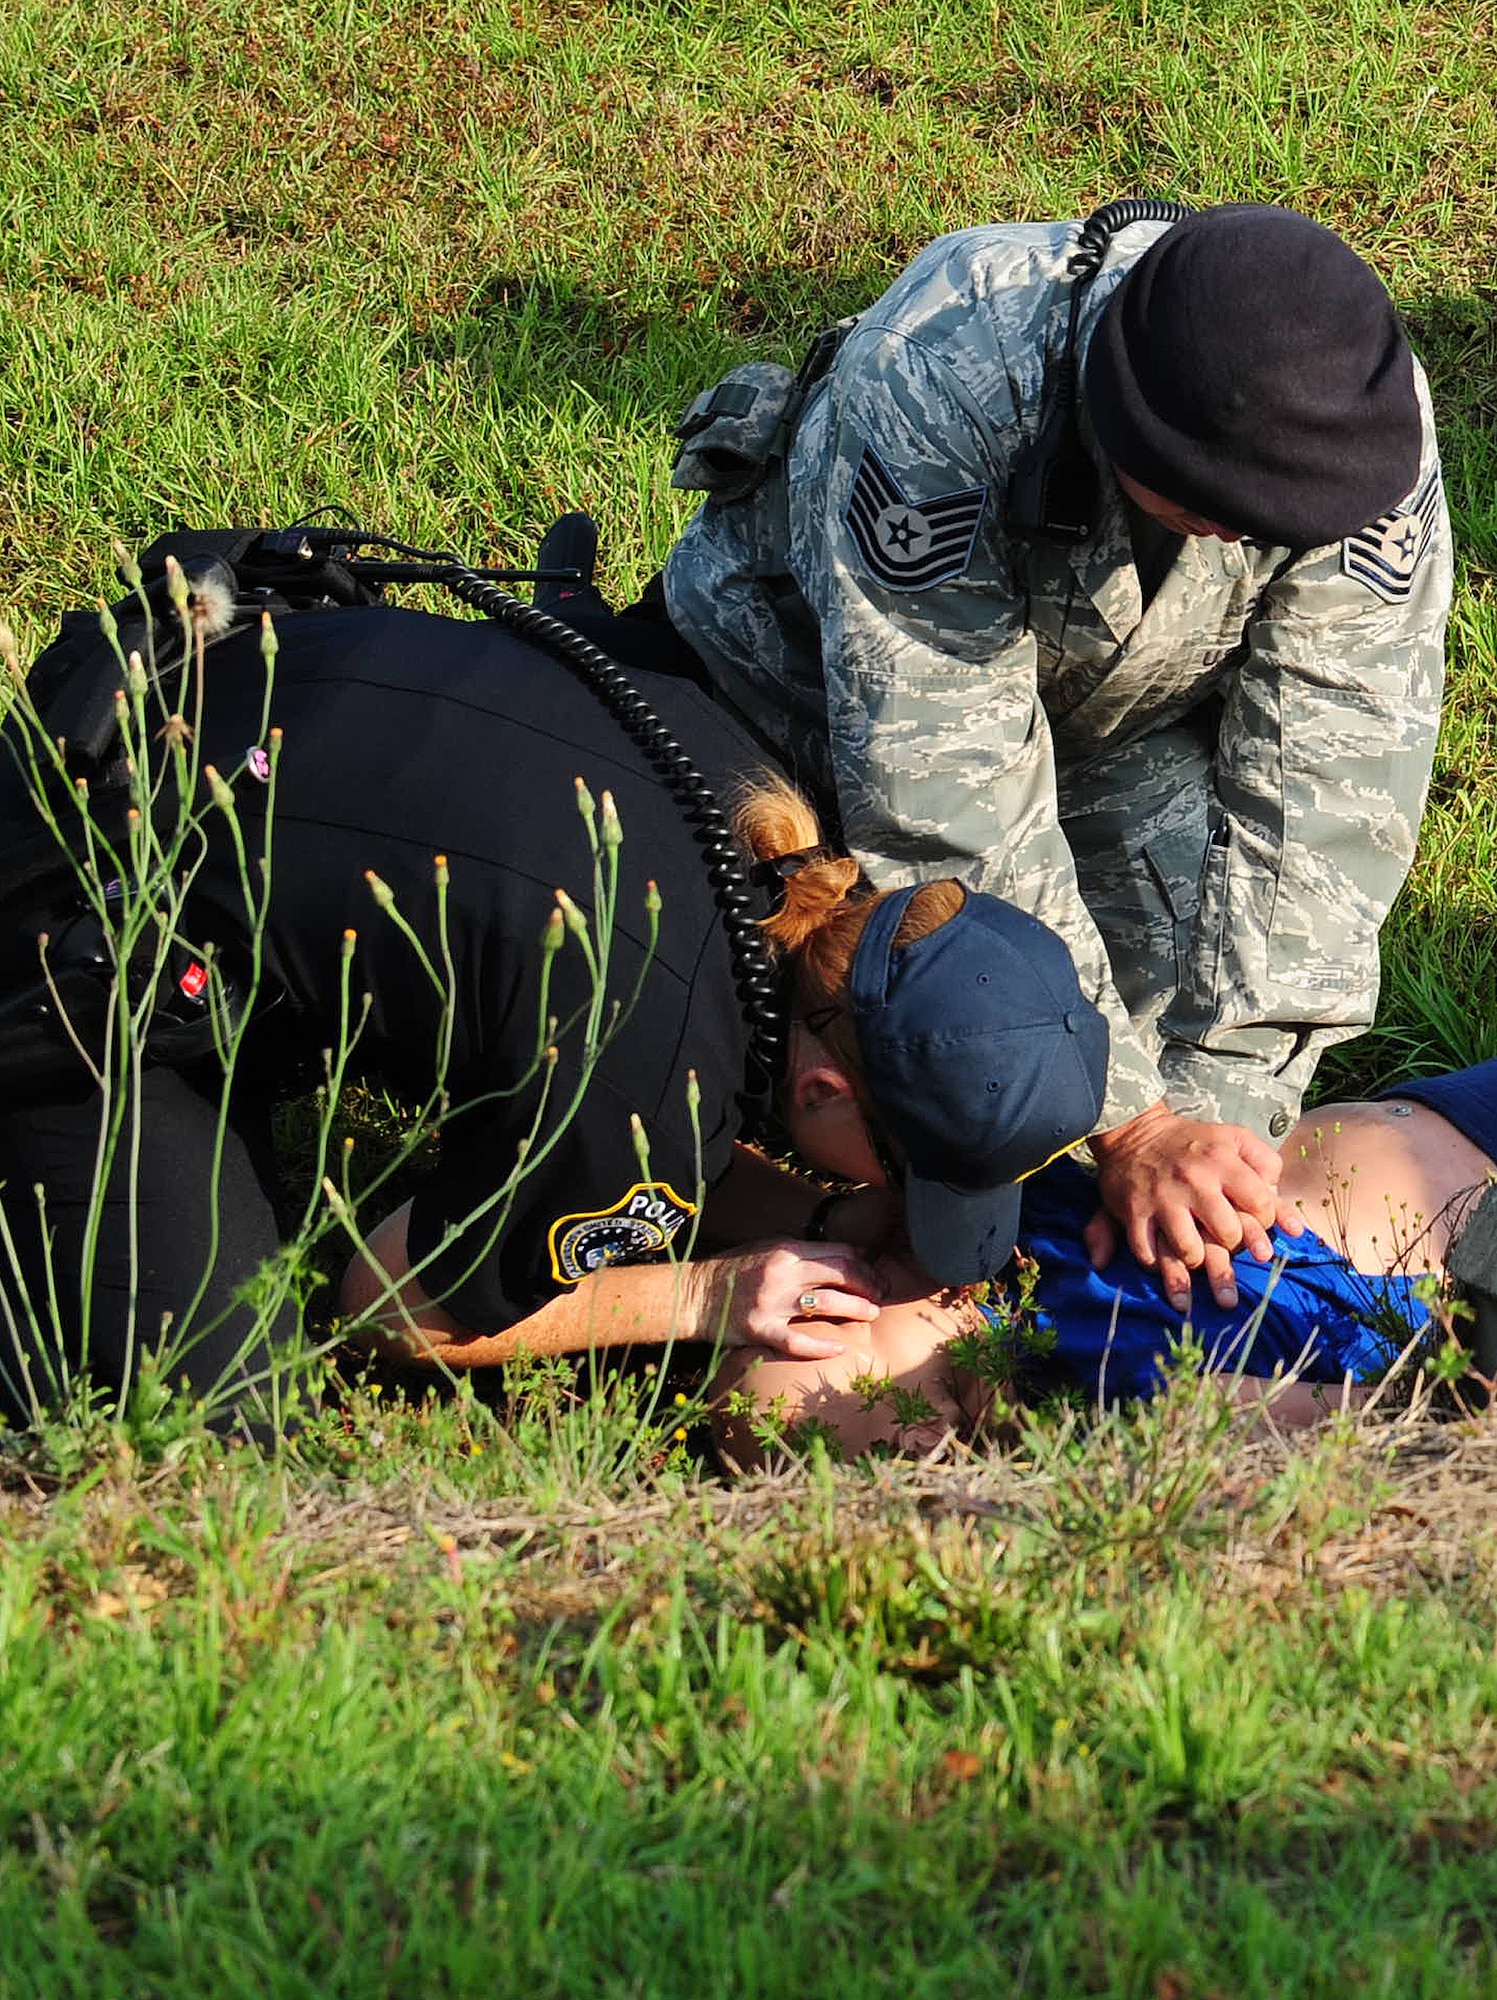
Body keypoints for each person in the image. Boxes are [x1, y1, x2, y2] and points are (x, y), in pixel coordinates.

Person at [0, 545, 1109, 1431]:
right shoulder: (651, 1063)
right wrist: (705, 1292)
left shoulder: (768, 830)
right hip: (66, 938)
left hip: (165, 687)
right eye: (914, 1175)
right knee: (211, 1423)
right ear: (821, 1085)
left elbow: (671, 1127)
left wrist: (823, 1212)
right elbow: (390, 1304)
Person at [655, 199, 1454, 1324]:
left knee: (1168, 1029)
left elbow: (1334, 784)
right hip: (792, 701)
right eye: (1213, 510)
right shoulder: (946, 373)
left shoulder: (1351, 429)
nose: (1242, 539)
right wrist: (1130, 1121)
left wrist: (1214, 1125)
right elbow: (940, 793)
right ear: (1118, 423)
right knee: (785, 1029)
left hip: (1102, 727)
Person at [708, 796, 1497, 1459]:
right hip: (1403, 1207)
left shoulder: (961, 1180)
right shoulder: (1066, 1351)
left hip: (1405, 1195)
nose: (831, 1300)